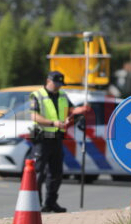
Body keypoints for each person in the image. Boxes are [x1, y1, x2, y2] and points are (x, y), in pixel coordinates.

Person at [29, 71, 89, 213]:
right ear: (48, 81)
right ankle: (35, 205)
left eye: (60, 84)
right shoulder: (37, 95)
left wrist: (82, 110)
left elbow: (71, 110)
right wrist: (54, 122)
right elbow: (35, 116)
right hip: (43, 139)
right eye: (56, 83)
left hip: (57, 139)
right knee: (38, 173)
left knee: (56, 173)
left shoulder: (62, 95)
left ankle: (50, 203)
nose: (58, 87)